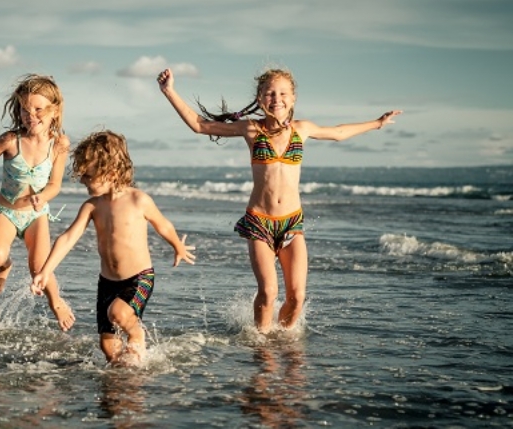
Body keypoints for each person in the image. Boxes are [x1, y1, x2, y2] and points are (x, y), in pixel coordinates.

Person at [157, 67, 402, 333]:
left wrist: (377, 123)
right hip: (260, 223)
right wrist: (169, 91)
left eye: (283, 93)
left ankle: (283, 340)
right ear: (260, 98)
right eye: (270, 93)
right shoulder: (251, 129)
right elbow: (200, 125)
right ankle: (261, 348)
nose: (277, 98)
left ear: (293, 98)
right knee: (268, 294)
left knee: (296, 299)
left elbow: (339, 133)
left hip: (291, 225)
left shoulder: (302, 129)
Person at [30, 130, 196, 365]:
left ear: (112, 172)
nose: (83, 180)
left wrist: (178, 246)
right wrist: (45, 272)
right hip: (107, 282)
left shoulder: (139, 200)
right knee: (108, 347)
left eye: (88, 175)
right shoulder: (92, 206)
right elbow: (68, 238)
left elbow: (163, 225)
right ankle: (125, 375)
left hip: (139, 278)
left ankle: (136, 333)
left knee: (118, 314)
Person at [0, 74, 75, 332]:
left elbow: (55, 185)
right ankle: (5, 266)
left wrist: (43, 197)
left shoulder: (59, 144)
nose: (30, 115)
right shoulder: (11, 141)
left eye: (38, 109)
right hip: (8, 211)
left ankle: (56, 302)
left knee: (39, 268)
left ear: (54, 111)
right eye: (24, 109)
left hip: (37, 215)